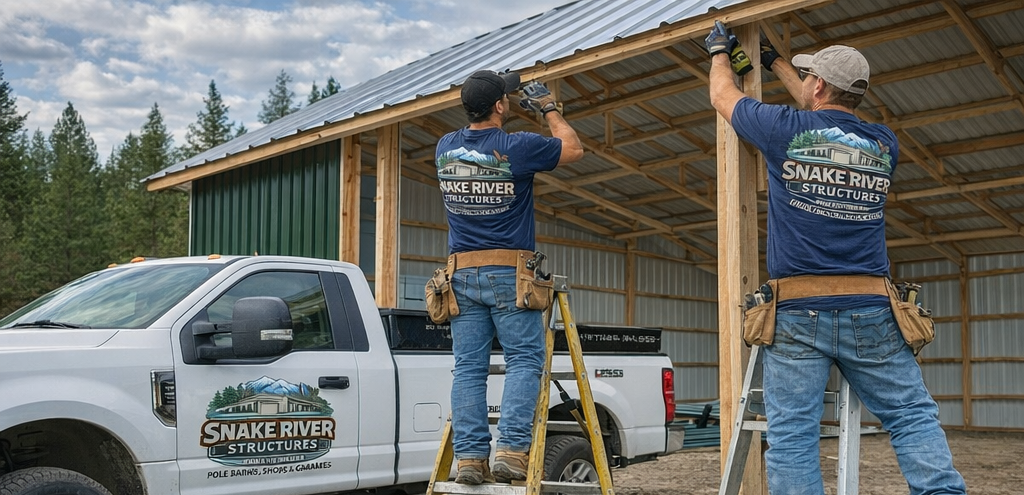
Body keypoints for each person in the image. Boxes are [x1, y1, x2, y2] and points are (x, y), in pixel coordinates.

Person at [705, 27, 967, 495]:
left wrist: (720, 52)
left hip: (798, 314)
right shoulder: (885, 143)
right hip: (873, 309)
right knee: (911, 417)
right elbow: (829, 116)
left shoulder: (784, 130)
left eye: (810, 77)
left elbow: (723, 95)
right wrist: (777, 64)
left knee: (792, 436)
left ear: (819, 86)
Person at [435, 69, 584, 485]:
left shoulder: (445, 147)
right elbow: (573, 149)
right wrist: (549, 108)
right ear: (502, 106)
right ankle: (512, 453)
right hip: (509, 274)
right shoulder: (518, 147)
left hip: (461, 275)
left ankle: (469, 460)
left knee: (468, 369)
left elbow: (480, 124)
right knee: (524, 360)